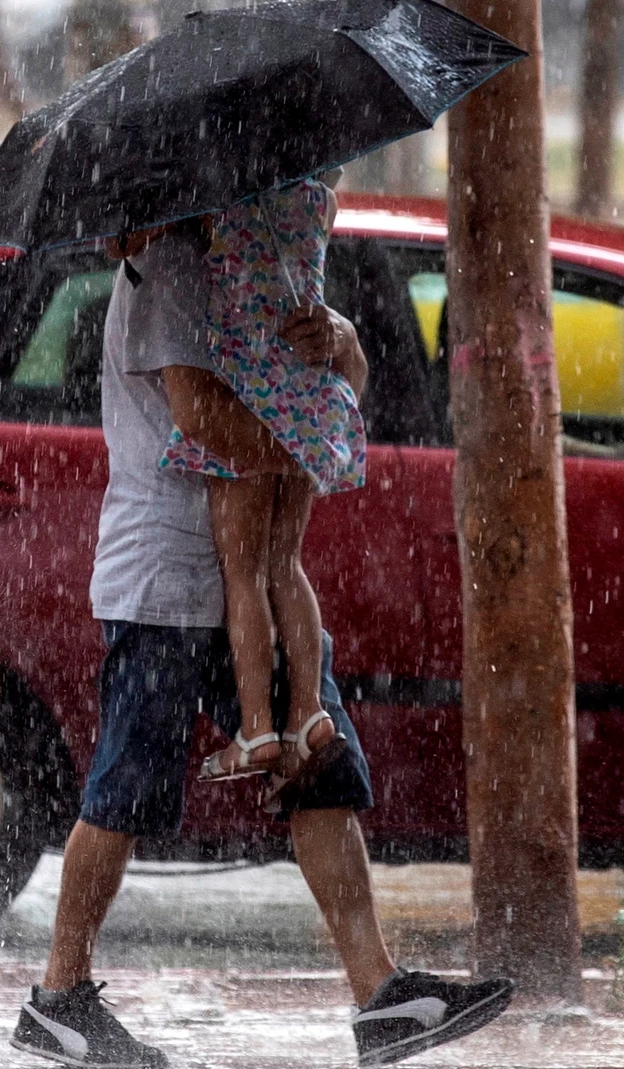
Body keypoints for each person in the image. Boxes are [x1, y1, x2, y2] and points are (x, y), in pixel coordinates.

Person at [9, 211, 515, 1069]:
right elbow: (201, 413)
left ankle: (381, 996)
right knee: (124, 788)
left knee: (320, 765)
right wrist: (308, 441)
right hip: (167, 579)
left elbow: (328, 369)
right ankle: (58, 997)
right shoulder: (168, 270)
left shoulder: (248, 261)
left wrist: (341, 340)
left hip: (248, 583)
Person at [161, 176, 363, 795]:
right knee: (286, 562)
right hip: (306, 396)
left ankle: (256, 727)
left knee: (242, 570)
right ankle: (307, 712)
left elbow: (162, 240)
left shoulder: (215, 205)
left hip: (248, 399)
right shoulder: (320, 202)